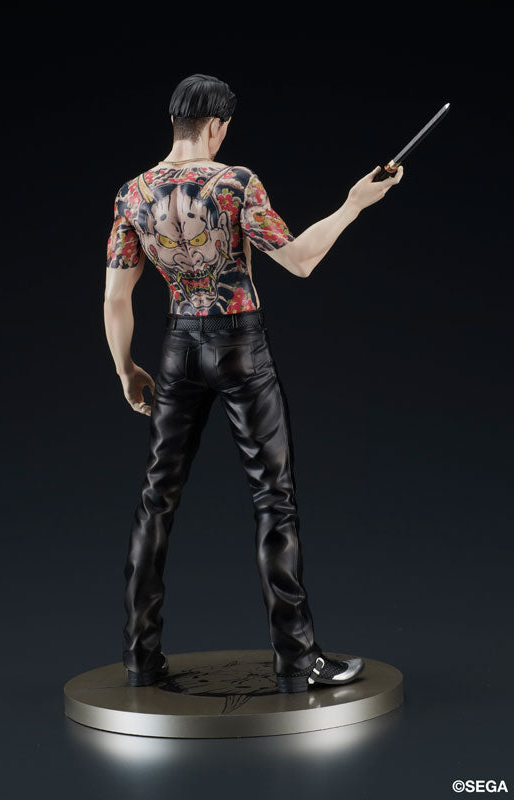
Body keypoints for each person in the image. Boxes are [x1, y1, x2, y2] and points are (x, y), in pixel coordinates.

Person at [104, 73, 404, 693]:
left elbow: (115, 297)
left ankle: (139, 657)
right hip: (240, 343)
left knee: (156, 499)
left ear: (176, 121)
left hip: (178, 346)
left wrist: (125, 368)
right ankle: (297, 658)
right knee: (273, 499)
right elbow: (300, 260)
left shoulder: (133, 193)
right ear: (217, 126)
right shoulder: (236, 183)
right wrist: (354, 204)